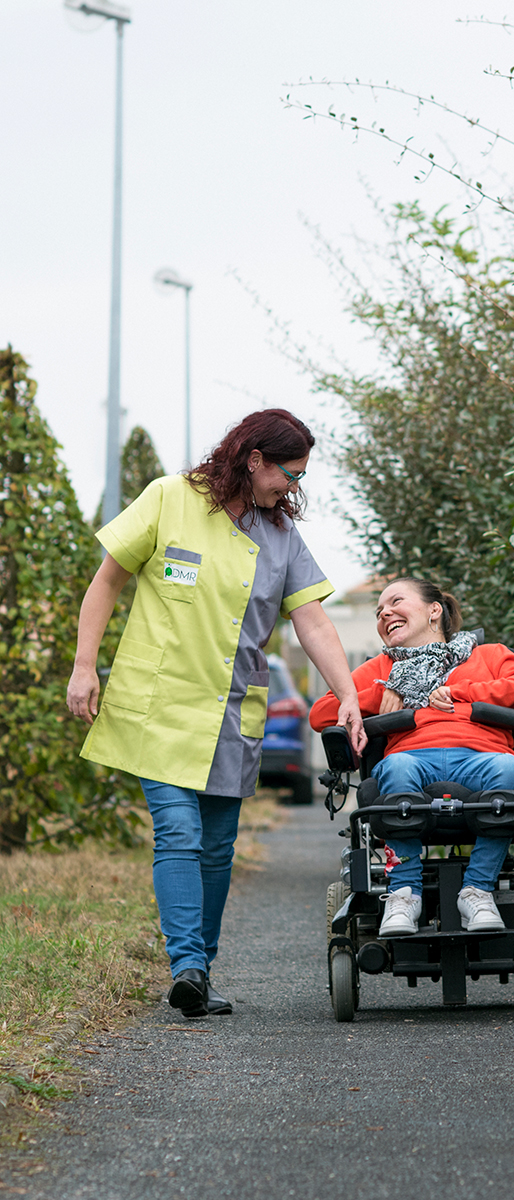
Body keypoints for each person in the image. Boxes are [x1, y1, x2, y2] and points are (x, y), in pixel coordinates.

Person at [67, 409, 366, 1018]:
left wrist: (350, 694)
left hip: (232, 708)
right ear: (254, 459)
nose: (294, 487)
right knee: (178, 833)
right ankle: (188, 967)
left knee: (219, 846)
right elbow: (108, 581)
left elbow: (309, 618)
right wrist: (83, 665)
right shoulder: (169, 499)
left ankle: (200, 963)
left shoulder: (280, 535)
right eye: (289, 473)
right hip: (159, 703)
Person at [309, 577, 514, 937]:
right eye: (379, 611)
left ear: (434, 610)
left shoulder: (490, 655)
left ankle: (477, 891)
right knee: (396, 766)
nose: (385, 613)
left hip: (483, 756)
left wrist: (456, 691)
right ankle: (404, 894)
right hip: (411, 760)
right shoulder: (380, 668)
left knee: (508, 768)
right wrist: (386, 691)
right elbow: (321, 713)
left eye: (396, 601)